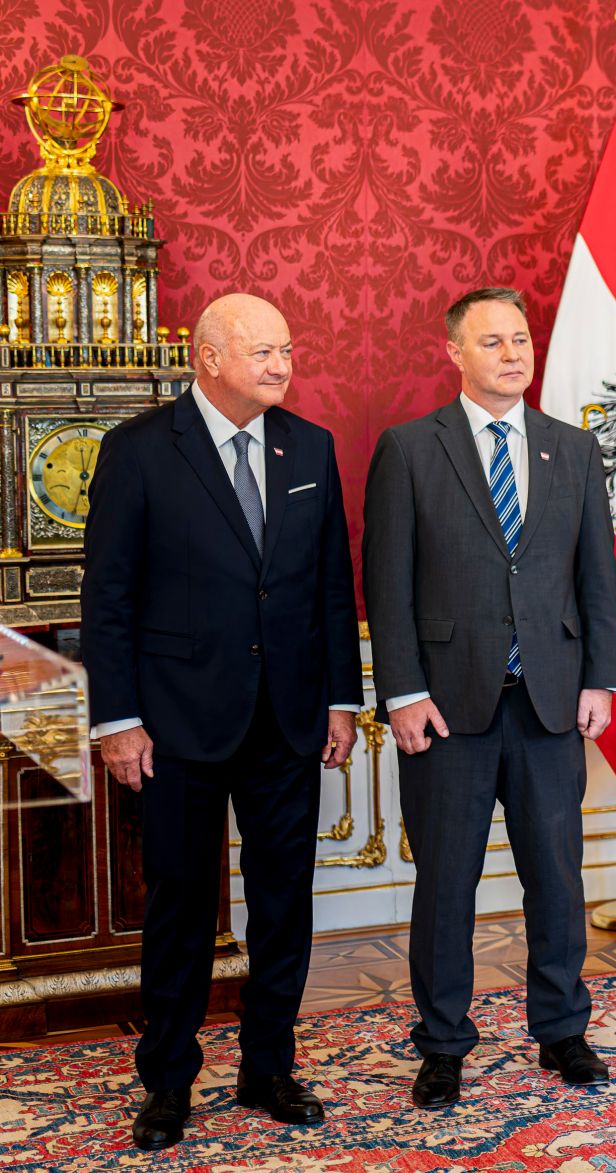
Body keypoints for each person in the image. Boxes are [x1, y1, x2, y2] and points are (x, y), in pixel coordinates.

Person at [82, 293, 363, 1150]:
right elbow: (109, 597)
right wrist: (118, 718)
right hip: (174, 726)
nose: (282, 365)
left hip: (288, 718)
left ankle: (269, 1066)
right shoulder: (138, 450)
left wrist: (341, 699)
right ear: (209, 358)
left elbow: (330, 585)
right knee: (180, 907)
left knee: (284, 903)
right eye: (264, 351)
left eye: (288, 350)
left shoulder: (309, 445)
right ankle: (168, 1079)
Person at [361, 287, 616, 1107]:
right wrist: (402, 692)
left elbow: (597, 576)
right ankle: (442, 1044)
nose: (513, 354)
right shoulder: (410, 449)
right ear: (455, 353)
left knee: (558, 877)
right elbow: (387, 585)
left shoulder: (573, 449)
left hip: (551, 702)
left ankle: (563, 1030)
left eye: (520, 339)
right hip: (447, 709)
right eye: (492, 341)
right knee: (446, 885)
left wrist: (601, 677)